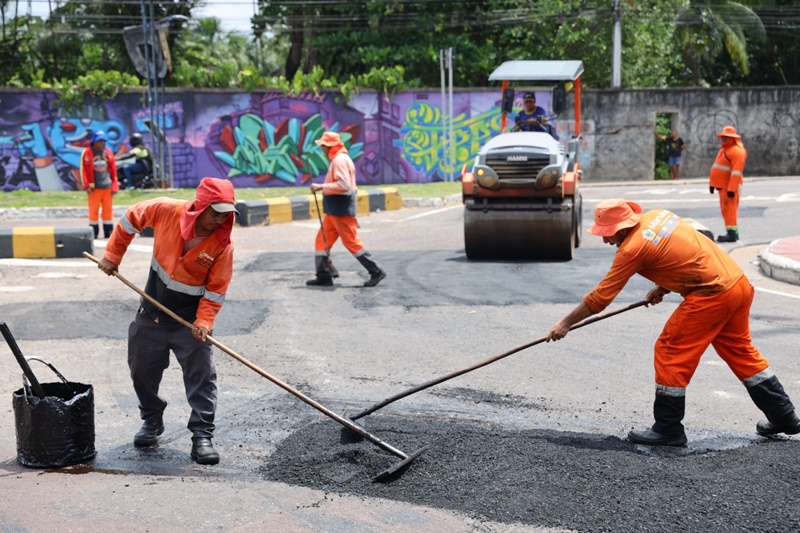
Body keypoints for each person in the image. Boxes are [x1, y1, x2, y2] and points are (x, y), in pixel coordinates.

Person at [546, 199, 800, 446]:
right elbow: (684, 252)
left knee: (670, 350)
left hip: (712, 295)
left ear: (623, 227)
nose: (605, 239)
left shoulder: (632, 249)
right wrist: (663, 286)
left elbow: (599, 299)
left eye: (608, 233)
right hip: (737, 284)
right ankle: (784, 416)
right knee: (741, 352)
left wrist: (565, 323)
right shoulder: (659, 215)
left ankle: (668, 428)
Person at [96, 177, 237, 465]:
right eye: (215, 212)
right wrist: (113, 254)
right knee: (141, 371)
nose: (220, 220)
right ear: (200, 207)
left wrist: (204, 322)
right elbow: (130, 218)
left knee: (202, 379)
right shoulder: (165, 210)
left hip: (189, 324)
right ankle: (152, 418)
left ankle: (202, 435)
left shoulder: (222, 245)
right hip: (151, 314)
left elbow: (216, 290)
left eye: (227, 214)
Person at [306, 131, 386, 288]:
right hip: (334, 210)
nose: (322, 148)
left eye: (323, 145)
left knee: (351, 242)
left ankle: (376, 271)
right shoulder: (339, 159)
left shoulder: (339, 161)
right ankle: (324, 275)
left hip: (340, 210)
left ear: (330, 146)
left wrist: (321, 186)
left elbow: (344, 186)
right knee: (322, 239)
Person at [709, 125, 747, 243]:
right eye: (723, 137)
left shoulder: (736, 151)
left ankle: (732, 234)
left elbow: (736, 172)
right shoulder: (725, 150)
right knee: (726, 211)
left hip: (729, 188)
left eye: (727, 138)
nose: (724, 140)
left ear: (733, 138)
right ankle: (730, 232)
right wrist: (712, 184)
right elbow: (718, 168)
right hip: (722, 187)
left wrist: (731, 189)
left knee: (730, 211)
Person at [80, 130, 119, 239]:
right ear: (94, 141)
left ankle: (108, 232)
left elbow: (113, 170)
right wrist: (86, 185)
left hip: (107, 187)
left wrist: (115, 185)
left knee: (108, 211)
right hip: (94, 189)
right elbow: (83, 171)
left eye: (103, 141)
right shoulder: (87, 153)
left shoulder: (108, 152)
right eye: (99, 141)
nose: (101, 143)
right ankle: (94, 232)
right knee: (93, 211)